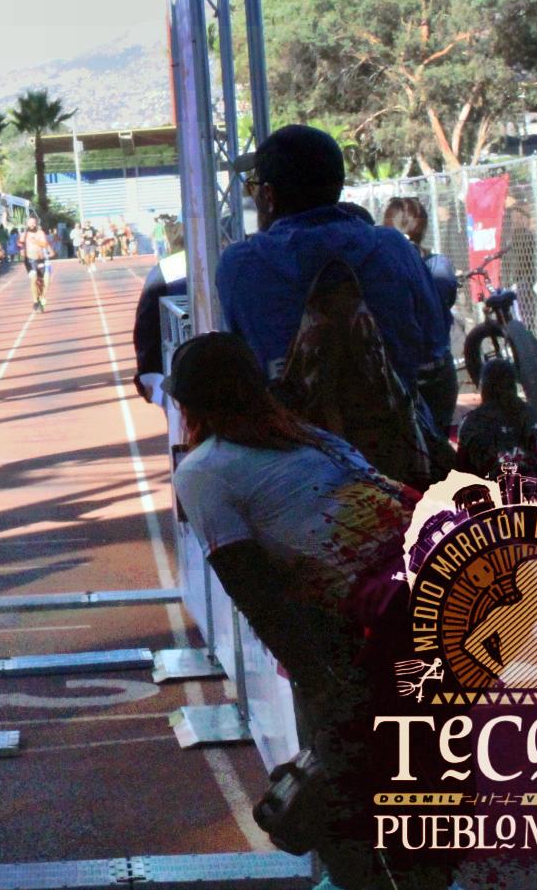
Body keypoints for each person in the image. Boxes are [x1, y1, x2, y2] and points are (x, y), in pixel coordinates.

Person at [164, 331, 445, 890]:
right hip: (442, 606)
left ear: (190, 406)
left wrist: (325, 691)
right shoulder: (310, 437)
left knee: (346, 813)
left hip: (372, 636)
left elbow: (254, 591)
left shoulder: (202, 471)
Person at [217, 125, 440, 389]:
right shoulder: (394, 248)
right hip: (394, 412)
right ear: (339, 185)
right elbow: (433, 346)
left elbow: (243, 361)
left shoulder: (240, 265)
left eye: (253, 189)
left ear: (268, 195)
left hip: (287, 416)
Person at [382, 197, 459, 434]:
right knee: (438, 439)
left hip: (402, 377)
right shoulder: (438, 265)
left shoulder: (382, 269)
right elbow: (445, 301)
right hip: (439, 370)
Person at [454, 358, 537, 480]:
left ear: (484, 388)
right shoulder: (530, 416)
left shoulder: (471, 423)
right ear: (513, 386)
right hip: (535, 486)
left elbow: (463, 472)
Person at [131, 224, 189, 403]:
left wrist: (146, 373)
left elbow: (146, 323)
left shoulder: (166, 269)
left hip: (182, 363)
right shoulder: (229, 260)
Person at [22, 215, 53, 312]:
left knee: (44, 282)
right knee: (34, 279)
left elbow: (44, 244)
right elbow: (19, 244)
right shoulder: (24, 234)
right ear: (27, 224)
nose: (32, 224)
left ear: (36, 223)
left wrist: (36, 241)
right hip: (30, 261)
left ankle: (41, 297)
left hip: (41, 260)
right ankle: (35, 301)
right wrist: (21, 248)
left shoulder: (40, 233)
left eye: (34, 223)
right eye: (30, 223)